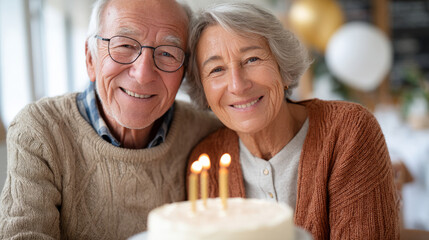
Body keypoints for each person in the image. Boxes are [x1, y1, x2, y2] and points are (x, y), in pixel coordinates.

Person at [0, 0, 221, 239]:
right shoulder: (41, 130)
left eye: (167, 52)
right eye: (125, 45)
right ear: (90, 59)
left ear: (184, 72)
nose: (143, 73)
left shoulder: (206, 132)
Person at [186, 3, 399, 239]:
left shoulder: (348, 131)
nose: (237, 85)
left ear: (282, 68)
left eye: (252, 59)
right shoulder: (206, 162)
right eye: (216, 69)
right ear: (204, 92)